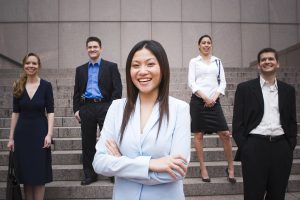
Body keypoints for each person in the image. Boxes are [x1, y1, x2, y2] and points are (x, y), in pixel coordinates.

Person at [92, 40, 191, 200]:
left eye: (150, 64)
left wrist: (120, 163)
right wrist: (150, 164)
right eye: (136, 65)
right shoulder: (117, 108)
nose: (142, 71)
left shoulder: (180, 109)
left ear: (163, 68)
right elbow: (99, 162)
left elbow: (177, 171)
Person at [232, 48, 297, 200]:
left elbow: (292, 121)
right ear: (258, 65)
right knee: (253, 195)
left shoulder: (288, 91)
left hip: (281, 147)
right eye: (263, 60)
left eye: (271, 59)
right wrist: (246, 147)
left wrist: (290, 144)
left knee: (277, 195)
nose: (267, 62)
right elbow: (237, 123)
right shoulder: (245, 89)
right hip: (254, 146)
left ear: (277, 64)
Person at [73, 36, 122, 185]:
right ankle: (90, 174)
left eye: (95, 47)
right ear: (86, 49)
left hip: (104, 106)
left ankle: (112, 173)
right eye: (90, 47)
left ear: (101, 48)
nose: (92, 49)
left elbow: (117, 89)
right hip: (86, 107)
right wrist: (77, 109)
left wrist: (111, 107)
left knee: (108, 140)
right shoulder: (80, 70)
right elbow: (76, 91)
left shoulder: (111, 67)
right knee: (87, 142)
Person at [188, 34, 236, 183]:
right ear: (199, 45)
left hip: (214, 102)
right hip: (198, 102)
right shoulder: (194, 62)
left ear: (211, 45)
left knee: (226, 134)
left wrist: (213, 98)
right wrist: (205, 97)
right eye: (203, 42)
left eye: (209, 43)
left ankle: (231, 167)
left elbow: (222, 83)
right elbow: (192, 83)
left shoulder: (218, 61)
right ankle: (203, 168)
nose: (206, 45)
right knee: (198, 136)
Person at [7, 53, 54, 200]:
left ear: (38, 66)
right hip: (22, 135)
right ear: (23, 65)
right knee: (26, 176)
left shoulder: (46, 86)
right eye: (28, 63)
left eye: (34, 63)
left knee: (39, 175)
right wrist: (11, 138)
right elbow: (15, 113)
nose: (31, 66)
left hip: (40, 133)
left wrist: (49, 134)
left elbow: (51, 111)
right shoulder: (18, 85)